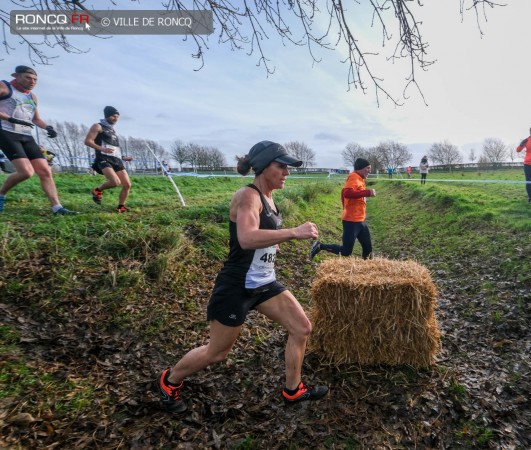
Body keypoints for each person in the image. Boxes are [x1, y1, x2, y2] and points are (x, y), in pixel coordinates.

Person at [157, 141, 328, 414]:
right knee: (217, 352)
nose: (287, 173)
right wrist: (294, 232)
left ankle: (293, 390)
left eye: (288, 167)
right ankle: (170, 380)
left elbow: (260, 236)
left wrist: (273, 244)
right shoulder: (248, 196)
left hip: (265, 283)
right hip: (237, 285)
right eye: (281, 166)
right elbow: (247, 238)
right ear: (262, 166)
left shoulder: (270, 198)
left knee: (301, 328)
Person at [0, 65, 76, 215]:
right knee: (26, 172)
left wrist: (48, 127)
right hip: (7, 132)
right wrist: (11, 119)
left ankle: (57, 207)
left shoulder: (32, 96)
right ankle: (1, 194)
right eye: (28, 77)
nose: (32, 81)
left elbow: (36, 119)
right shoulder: (4, 86)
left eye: (35, 79)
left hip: (26, 135)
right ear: (16, 76)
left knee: (45, 171)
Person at [310, 157, 376, 260]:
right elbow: (347, 193)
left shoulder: (360, 179)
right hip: (351, 221)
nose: (370, 170)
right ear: (361, 168)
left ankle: (368, 271)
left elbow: (344, 193)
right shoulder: (354, 177)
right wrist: (368, 192)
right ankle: (320, 246)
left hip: (360, 220)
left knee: (368, 249)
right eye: (368, 168)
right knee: (346, 251)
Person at [85, 106, 133, 213]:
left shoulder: (112, 130)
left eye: (117, 117)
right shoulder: (98, 126)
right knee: (115, 182)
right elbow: (88, 141)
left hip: (116, 160)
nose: (115, 119)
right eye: (113, 116)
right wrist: (102, 149)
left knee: (127, 184)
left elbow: (114, 150)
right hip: (103, 158)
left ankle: (121, 206)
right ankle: (97, 190)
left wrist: (124, 158)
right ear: (107, 116)